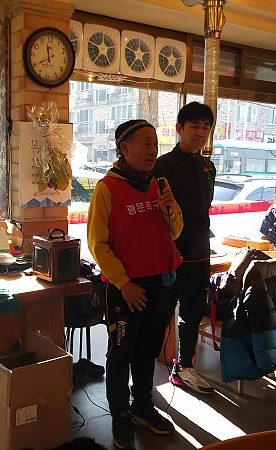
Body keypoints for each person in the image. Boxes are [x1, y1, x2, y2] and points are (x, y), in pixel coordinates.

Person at [87, 119, 184, 449]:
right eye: (146, 143)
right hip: (126, 289)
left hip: (162, 283)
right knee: (120, 354)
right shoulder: (107, 188)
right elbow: (98, 244)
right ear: (124, 148)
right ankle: (120, 416)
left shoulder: (160, 184)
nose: (153, 150)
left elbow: (176, 232)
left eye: (155, 143)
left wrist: (169, 210)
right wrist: (124, 283)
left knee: (147, 352)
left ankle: (142, 406)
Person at [154, 102, 216, 394]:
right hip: (169, 255)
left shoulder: (208, 166)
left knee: (192, 315)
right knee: (158, 316)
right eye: (194, 126)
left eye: (206, 127)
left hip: (200, 253)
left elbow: (203, 209)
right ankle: (143, 377)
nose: (201, 132)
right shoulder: (163, 166)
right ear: (179, 129)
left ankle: (184, 368)